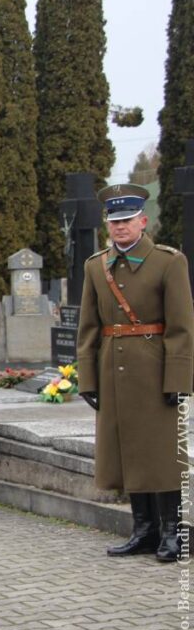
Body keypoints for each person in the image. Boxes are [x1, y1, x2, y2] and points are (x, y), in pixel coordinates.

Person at [77, 184, 194, 563]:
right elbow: (88, 329)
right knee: (128, 454)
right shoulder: (96, 266)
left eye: (127, 220)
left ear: (144, 221)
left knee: (161, 456)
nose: (120, 227)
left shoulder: (168, 261)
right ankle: (143, 530)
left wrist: (178, 380)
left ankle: (173, 534)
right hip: (113, 370)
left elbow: (181, 327)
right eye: (114, 221)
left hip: (155, 370)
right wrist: (88, 379)